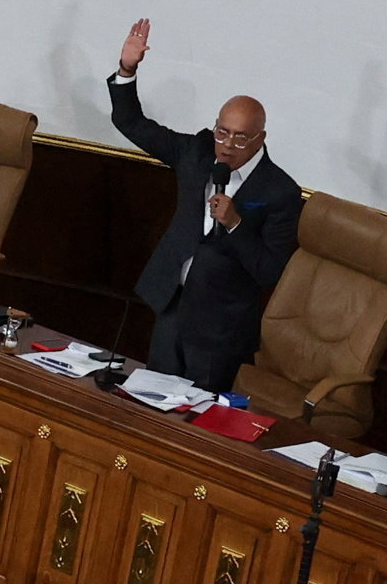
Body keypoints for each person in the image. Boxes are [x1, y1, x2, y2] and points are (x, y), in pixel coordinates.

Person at [103, 27, 297, 388]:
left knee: (198, 422)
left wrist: (236, 224)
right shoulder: (197, 152)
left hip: (220, 328)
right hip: (172, 307)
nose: (226, 146)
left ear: (260, 139)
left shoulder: (279, 192)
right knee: (152, 402)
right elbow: (131, 123)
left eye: (240, 138)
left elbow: (270, 270)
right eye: (222, 132)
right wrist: (127, 70)